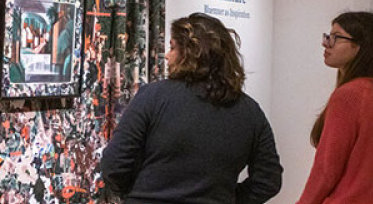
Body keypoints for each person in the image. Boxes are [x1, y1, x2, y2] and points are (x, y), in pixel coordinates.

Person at [101, 13, 282, 204]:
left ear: (189, 53)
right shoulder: (250, 112)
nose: (167, 56)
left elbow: (114, 165)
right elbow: (269, 179)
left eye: (172, 48)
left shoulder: (152, 97)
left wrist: (138, 193)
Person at [297, 12, 373, 204]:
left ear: (359, 46)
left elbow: (326, 169)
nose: (326, 43)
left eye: (336, 37)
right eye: (328, 36)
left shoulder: (349, 96)